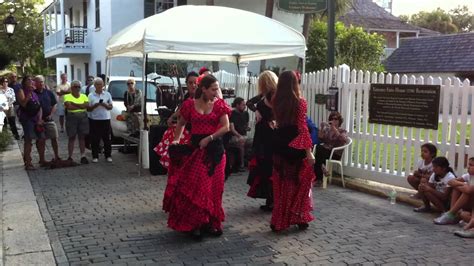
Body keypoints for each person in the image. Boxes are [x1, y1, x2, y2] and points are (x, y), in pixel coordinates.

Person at [164, 74, 231, 241]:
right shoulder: (189, 104)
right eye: (213, 89)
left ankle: (211, 222)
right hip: (196, 150)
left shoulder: (219, 105)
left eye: (217, 89)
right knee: (198, 188)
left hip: (215, 151)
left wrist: (210, 138)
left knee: (215, 190)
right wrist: (176, 139)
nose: (217, 92)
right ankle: (196, 224)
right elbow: (181, 123)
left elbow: (226, 127)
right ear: (204, 89)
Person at [270, 70, 315, 232]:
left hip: (279, 143)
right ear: (295, 83)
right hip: (295, 144)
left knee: (281, 182)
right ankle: (299, 216)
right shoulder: (300, 102)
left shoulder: (276, 100)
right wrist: (308, 152)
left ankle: (279, 218)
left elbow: (278, 122)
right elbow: (302, 128)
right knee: (300, 181)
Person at [247, 70, 278, 211]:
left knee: (268, 167)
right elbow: (249, 103)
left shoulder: (272, 95)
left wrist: (260, 111)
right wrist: (257, 111)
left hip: (266, 136)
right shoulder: (268, 95)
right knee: (268, 167)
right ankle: (271, 200)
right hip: (266, 135)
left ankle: (272, 200)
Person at [156, 71, 197, 169]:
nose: (193, 85)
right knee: (169, 134)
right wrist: (172, 117)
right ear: (186, 84)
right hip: (187, 128)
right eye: (190, 83)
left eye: (195, 82)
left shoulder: (201, 97)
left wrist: (173, 117)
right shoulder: (187, 97)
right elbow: (182, 110)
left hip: (197, 132)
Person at [433, 157, 474, 225]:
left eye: (471, 165)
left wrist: (463, 187)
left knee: (466, 194)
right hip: (468, 205)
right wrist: (463, 184)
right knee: (456, 188)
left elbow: (469, 190)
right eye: (468, 164)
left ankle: (451, 214)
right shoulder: (468, 176)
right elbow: (451, 182)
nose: (468, 167)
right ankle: (452, 214)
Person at [313, 111, 348, 186]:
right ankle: (322, 170)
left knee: (318, 151)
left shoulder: (342, 131)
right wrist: (322, 128)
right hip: (325, 152)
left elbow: (344, 140)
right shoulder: (328, 130)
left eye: (336, 119)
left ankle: (319, 178)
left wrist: (334, 129)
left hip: (335, 153)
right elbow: (320, 138)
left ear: (339, 121)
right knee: (318, 150)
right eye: (332, 119)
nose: (334, 120)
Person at [16, 75, 44, 170]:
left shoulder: (35, 93)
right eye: (28, 80)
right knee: (28, 140)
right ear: (24, 82)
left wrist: (40, 119)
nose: (31, 81)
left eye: (32, 80)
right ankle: (28, 163)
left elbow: (39, 106)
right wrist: (30, 93)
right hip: (27, 119)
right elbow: (23, 104)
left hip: (36, 119)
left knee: (40, 139)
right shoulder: (22, 91)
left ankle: (41, 159)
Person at [34, 75, 61, 166]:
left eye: (42, 81)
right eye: (39, 82)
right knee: (41, 140)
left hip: (49, 119)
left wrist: (51, 114)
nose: (41, 83)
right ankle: (42, 159)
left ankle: (57, 156)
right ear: (35, 83)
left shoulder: (49, 92)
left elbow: (54, 105)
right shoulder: (33, 94)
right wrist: (38, 119)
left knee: (54, 138)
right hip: (38, 121)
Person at [88, 78, 113, 163]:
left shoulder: (107, 94)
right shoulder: (91, 95)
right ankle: (95, 156)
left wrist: (105, 105)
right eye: (97, 84)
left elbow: (110, 107)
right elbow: (88, 109)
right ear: (94, 86)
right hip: (95, 119)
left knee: (107, 139)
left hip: (106, 119)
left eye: (100, 84)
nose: (99, 86)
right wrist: (95, 105)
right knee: (95, 139)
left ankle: (108, 155)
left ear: (103, 85)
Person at [64, 80, 89, 164]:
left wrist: (74, 104)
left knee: (82, 137)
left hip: (83, 118)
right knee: (72, 137)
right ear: (71, 87)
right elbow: (69, 107)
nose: (77, 88)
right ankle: (70, 156)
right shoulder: (67, 96)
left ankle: (83, 156)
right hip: (72, 118)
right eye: (75, 86)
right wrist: (81, 106)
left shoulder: (84, 96)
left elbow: (86, 106)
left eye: (79, 87)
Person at [228, 97, 251, 172]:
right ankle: (241, 164)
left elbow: (246, 126)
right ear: (237, 105)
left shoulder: (246, 113)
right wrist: (239, 136)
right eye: (243, 105)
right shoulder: (232, 113)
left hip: (243, 135)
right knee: (241, 142)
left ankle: (250, 163)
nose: (245, 106)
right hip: (234, 136)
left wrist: (247, 128)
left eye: (245, 105)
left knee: (253, 142)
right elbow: (232, 129)